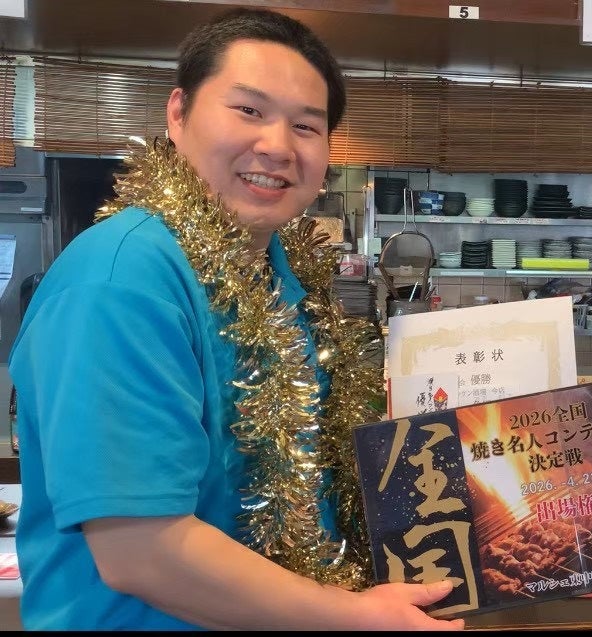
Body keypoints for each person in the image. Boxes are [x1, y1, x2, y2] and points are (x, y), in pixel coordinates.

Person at [8, 9, 462, 630]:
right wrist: (353, 616)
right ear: (178, 114)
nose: (277, 146)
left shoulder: (282, 279)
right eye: (249, 110)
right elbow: (142, 551)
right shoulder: (122, 281)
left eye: (306, 125)